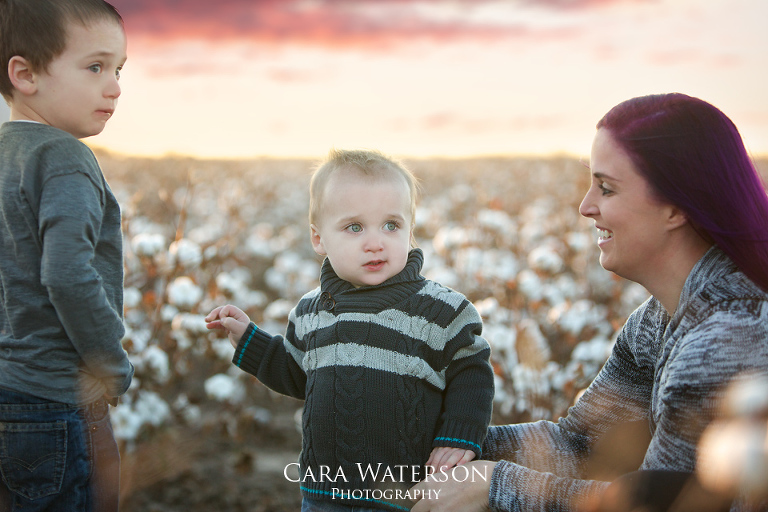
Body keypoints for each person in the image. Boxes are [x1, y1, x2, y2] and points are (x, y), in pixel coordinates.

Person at [410, 93, 768, 512]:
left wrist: (495, 487)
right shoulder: (655, 320)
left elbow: (661, 506)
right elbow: (580, 444)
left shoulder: (728, 334)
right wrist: (435, 440)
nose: (585, 206)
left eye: (607, 188)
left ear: (676, 207)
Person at [205, 148, 495, 512]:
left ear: (410, 231)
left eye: (391, 225)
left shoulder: (440, 311)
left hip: (406, 493)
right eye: (354, 227)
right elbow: (297, 374)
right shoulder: (312, 310)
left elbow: (472, 374)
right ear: (319, 239)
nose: (375, 242)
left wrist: (459, 437)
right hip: (324, 494)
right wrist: (249, 338)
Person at [0, 1, 134, 511]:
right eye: (96, 66)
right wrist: (110, 362)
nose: (115, 86)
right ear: (26, 73)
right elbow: (68, 275)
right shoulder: (63, 157)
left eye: (119, 70)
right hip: (57, 399)